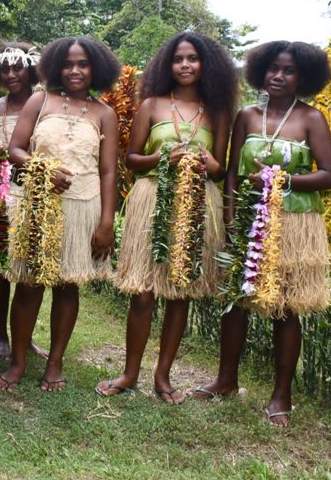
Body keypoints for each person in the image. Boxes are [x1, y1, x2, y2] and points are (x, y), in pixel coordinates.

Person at [189, 41, 331, 427]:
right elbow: (233, 173)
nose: (278, 76)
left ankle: (280, 396)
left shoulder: (311, 119)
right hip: (248, 220)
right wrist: (230, 218)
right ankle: (225, 380)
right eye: (273, 68)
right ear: (260, 71)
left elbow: (329, 175)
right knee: (237, 302)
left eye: (288, 70)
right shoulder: (247, 117)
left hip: (294, 224)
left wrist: (278, 179)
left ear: (303, 77)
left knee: (284, 307)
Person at [96, 32, 237, 404]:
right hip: (152, 199)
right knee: (143, 294)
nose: (185, 65)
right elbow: (131, 159)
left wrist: (210, 164)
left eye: (192, 58)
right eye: (178, 59)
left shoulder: (218, 109)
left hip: (197, 203)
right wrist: (165, 158)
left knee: (180, 293)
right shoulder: (152, 105)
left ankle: (163, 376)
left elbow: (221, 169)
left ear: (206, 64)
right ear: (168, 64)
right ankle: (129, 373)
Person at [0, 37, 120, 393]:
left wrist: (107, 221)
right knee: (30, 284)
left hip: (84, 206)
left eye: (82, 64)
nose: (75, 71)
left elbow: (109, 171)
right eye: (67, 64)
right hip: (38, 204)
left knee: (67, 286)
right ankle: (18, 362)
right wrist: (42, 168)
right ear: (54, 67)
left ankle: (54, 363)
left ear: (96, 68)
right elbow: (15, 149)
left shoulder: (104, 113)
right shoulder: (40, 99)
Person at [0, 41, 49, 360]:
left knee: (30, 268)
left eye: (17, 67)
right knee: (0, 268)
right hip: (0, 195)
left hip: (35, 193)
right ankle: (1, 336)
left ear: (31, 68)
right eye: (5, 69)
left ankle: (26, 336)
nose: (11, 74)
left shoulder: (46, 105)